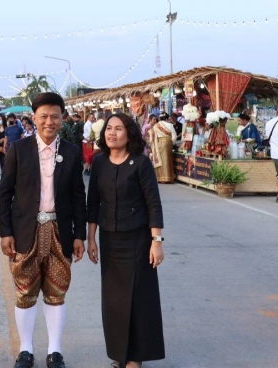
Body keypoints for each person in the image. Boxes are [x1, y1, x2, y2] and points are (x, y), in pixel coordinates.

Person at [0, 92, 87, 368]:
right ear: (34, 118)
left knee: (56, 291)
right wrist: (5, 231)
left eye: (55, 116)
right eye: (44, 116)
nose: (49, 122)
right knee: (25, 291)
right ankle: (25, 350)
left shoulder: (71, 152)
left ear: (62, 118)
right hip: (26, 231)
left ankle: (54, 351)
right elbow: (5, 193)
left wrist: (79, 235)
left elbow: (78, 197)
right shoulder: (19, 149)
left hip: (60, 231)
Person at [87, 113, 165, 368]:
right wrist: (91, 238)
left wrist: (156, 241)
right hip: (110, 241)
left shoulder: (141, 163)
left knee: (138, 299)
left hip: (138, 241)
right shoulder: (99, 162)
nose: (112, 133)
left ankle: (135, 358)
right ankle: (120, 355)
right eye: (109, 128)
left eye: (118, 128)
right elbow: (93, 203)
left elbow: (153, 204)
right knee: (114, 302)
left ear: (129, 133)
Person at [148, 114, 177, 184]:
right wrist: (171, 143)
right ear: (167, 119)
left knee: (160, 161)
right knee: (167, 160)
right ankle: (168, 178)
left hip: (158, 143)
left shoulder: (156, 126)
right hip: (167, 143)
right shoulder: (170, 125)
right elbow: (174, 137)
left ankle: (160, 178)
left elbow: (152, 138)